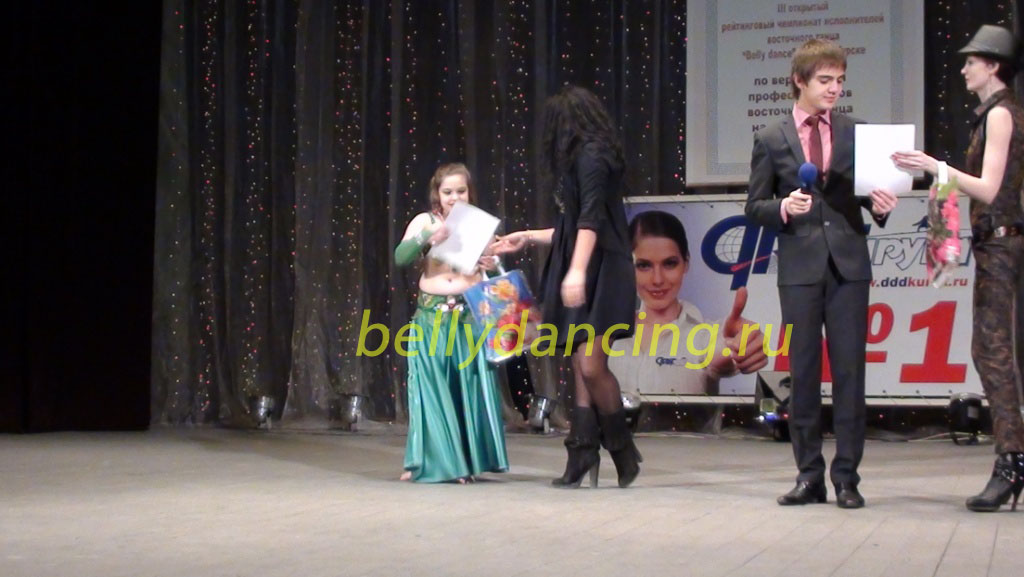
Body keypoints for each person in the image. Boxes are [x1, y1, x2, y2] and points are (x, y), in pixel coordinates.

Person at [745, 39, 898, 509]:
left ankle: (847, 478)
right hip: (800, 267)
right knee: (804, 372)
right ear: (800, 80)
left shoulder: (857, 132)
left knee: (850, 373)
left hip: (849, 265)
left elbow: (872, 197)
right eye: (825, 80)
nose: (835, 89)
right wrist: (783, 208)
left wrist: (882, 205)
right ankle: (809, 475)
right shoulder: (771, 137)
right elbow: (754, 206)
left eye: (840, 81)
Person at [893, 25, 1024, 512]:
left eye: (972, 61)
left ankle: (1012, 461)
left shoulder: (1002, 115)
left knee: (993, 351)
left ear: (993, 66)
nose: (965, 68)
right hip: (995, 243)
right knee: (990, 350)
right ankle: (1011, 457)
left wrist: (936, 167)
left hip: (1002, 243)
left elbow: (989, 187)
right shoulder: (991, 115)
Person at [490, 85, 640, 489]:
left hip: (603, 270)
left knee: (590, 364)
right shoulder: (584, 157)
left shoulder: (593, 155)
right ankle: (582, 449)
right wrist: (527, 237)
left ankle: (622, 447)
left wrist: (576, 271)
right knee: (578, 363)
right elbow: (572, 227)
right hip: (587, 263)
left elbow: (591, 221)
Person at [393, 162, 509, 483]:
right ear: (437, 193)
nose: (454, 197)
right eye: (448, 192)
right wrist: (426, 238)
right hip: (432, 317)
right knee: (432, 390)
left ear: (469, 192)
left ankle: (462, 462)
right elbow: (401, 257)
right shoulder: (426, 221)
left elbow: (488, 268)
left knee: (465, 387)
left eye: (461, 191)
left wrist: (491, 261)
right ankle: (427, 460)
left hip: (468, 316)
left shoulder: (478, 224)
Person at [608, 210, 768, 397]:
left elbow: (722, 353)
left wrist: (739, 347)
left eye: (669, 264)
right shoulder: (605, 332)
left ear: (686, 263)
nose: (657, 279)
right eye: (644, 265)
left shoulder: (705, 335)